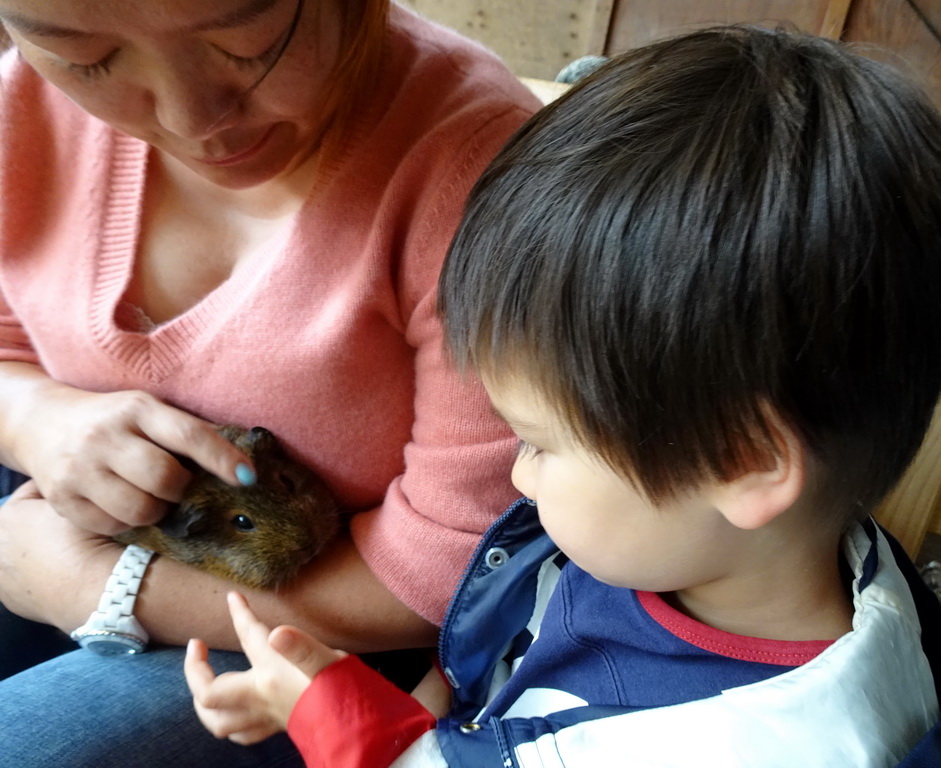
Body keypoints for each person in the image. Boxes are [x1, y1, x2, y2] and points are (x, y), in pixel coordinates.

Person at [183, 25, 941, 767]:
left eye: (540, 444)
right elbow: (498, 672)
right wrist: (366, 703)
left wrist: (331, 719)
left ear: (742, 461)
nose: (519, 478)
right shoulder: (680, 547)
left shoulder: (744, 743)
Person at [0, 0, 539, 764]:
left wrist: (105, 590)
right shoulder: (17, 110)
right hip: (45, 519)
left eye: (248, 42)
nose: (195, 121)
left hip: (339, 624)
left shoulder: (478, 175)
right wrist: (35, 418)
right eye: (86, 58)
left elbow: (471, 565)